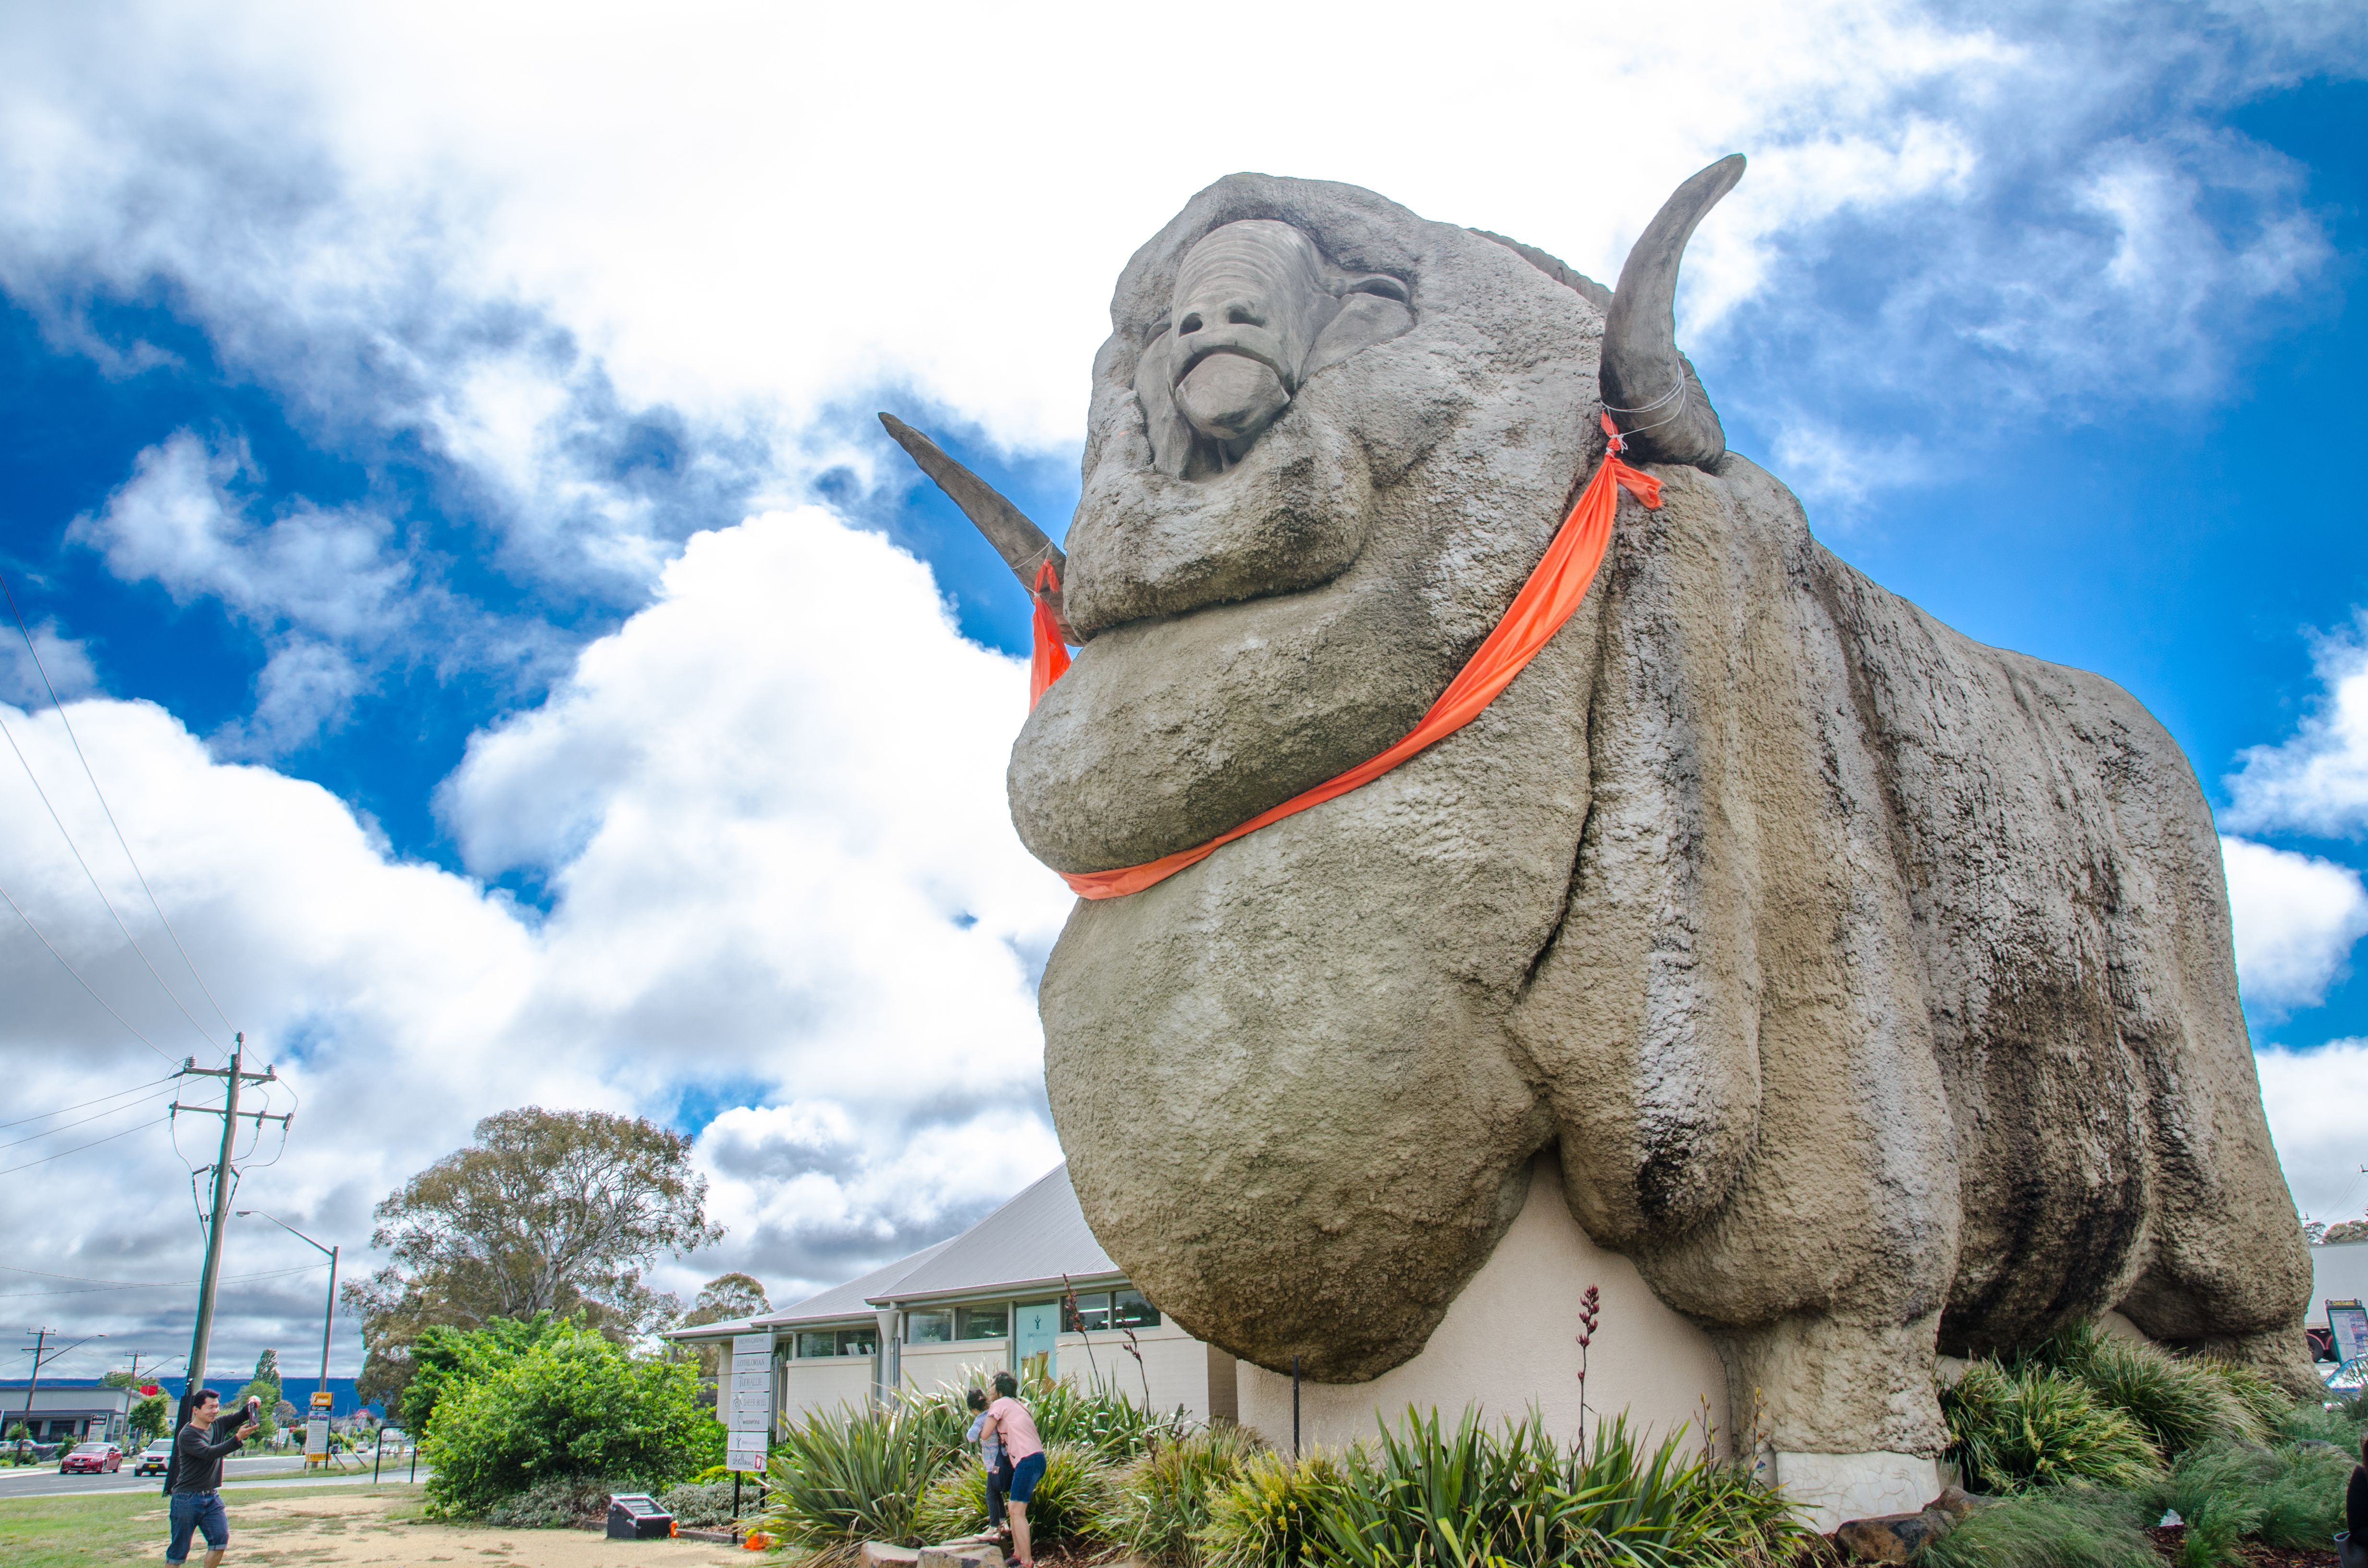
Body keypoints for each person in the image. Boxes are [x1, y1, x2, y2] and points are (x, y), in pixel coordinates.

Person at [167, 1389, 258, 1568]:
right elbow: (209, 1454)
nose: (215, 1411)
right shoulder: (188, 1435)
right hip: (187, 1498)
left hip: (211, 1497)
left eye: (217, 1407)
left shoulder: (219, 1424)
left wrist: (253, 1403)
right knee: (179, 1551)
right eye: (210, 1407)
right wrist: (237, 1439)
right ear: (196, 1410)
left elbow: (242, 1414)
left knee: (220, 1539)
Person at [978, 1372, 1044, 1568]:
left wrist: (979, 1423)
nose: (989, 1390)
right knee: (1014, 1509)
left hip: (1028, 1460)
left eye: (991, 1386)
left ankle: (1026, 1562)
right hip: (1036, 1458)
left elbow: (985, 1434)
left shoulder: (1000, 1404)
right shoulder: (1019, 1405)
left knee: (1017, 1510)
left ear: (999, 1391)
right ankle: (1017, 1555)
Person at [964, 1388, 1011, 1539]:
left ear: (973, 1409)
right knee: (998, 1492)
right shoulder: (994, 1413)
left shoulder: (980, 1419)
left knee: (991, 1493)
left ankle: (993, 1527)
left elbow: (971, 1437)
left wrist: (974, 1427)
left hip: (993, 1463)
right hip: (1003, 1459)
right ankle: (1003, 1523)